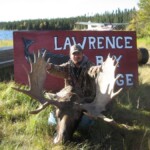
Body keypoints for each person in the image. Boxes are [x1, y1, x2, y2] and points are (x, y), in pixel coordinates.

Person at [47, 44, 98, 128]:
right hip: (70, 101)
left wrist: (97, 70)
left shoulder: (89, 65)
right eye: (74, 54)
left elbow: (92, 70)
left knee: (84, 125)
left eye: (78, 53)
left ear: (82, 54)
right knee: (52, 120)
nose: (76, 56)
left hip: (85, 101)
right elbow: (58, 69)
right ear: (70, 56)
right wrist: (50, 67)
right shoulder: (68, 66)